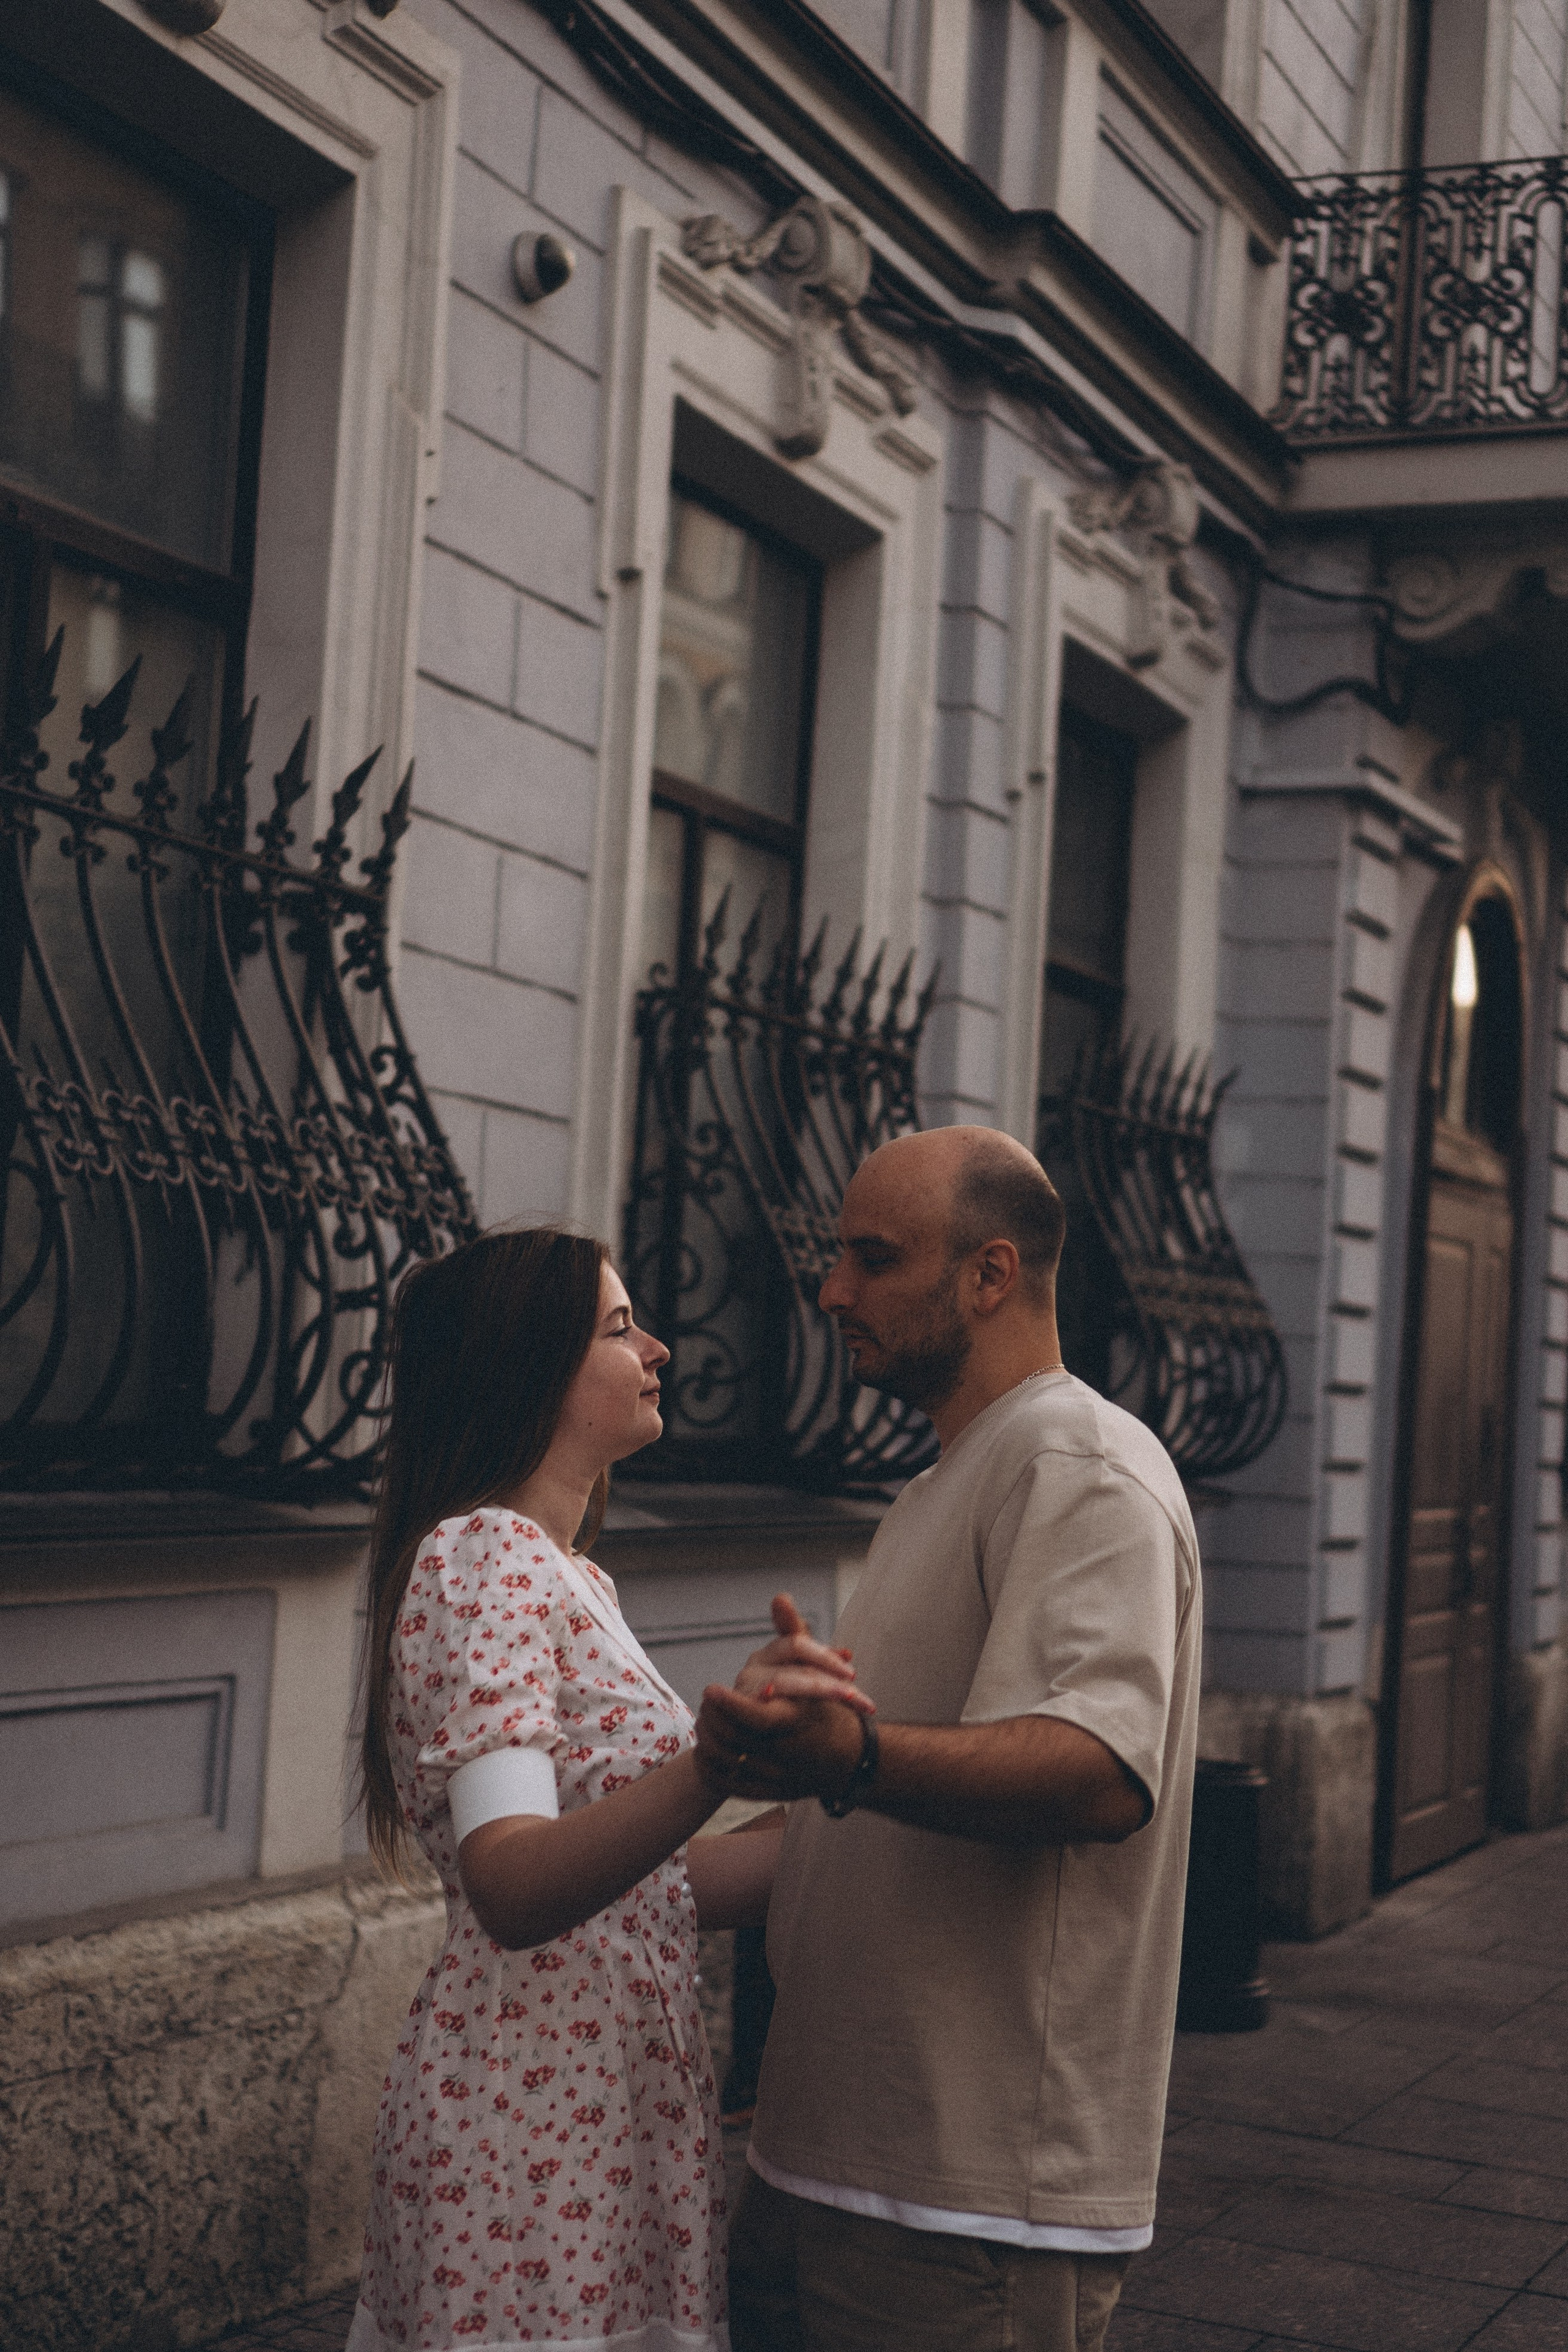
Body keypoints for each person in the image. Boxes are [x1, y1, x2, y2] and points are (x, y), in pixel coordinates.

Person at [696, 1128, 1202, 2352]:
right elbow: (846, 1834)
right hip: (822, 2160)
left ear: (988, 1274)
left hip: (967, 2204)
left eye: (871, 1258)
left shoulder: (1078, 1465)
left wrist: (853, 1760)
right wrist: (600, 1871)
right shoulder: (944, 1483)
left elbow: (1094, 1771)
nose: (829, 1291)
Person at [349, 1227, 867, 2352]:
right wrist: (714, 1766)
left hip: (604, 2108)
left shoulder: (565, 1570)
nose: (663, 1348)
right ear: (529, 1364)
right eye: (622, 1327)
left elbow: (654, 1887)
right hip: (532, 2129)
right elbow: (515, 1884)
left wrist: (860, 1802)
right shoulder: (485, 1555)